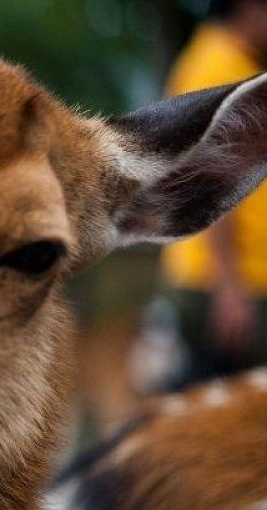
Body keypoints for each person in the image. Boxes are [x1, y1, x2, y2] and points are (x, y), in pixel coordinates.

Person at [159, 0, 267, 386]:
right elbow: (212, 179)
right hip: (225, 282)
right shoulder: (218, 67)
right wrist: (229, 287)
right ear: (249, 8)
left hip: (233, 278)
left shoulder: (233, 62)